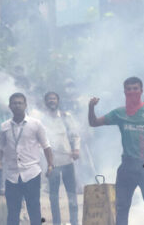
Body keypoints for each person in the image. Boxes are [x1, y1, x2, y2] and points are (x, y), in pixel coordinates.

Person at [89, 77, 144, 225]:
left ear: (141, 90)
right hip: (128, 165)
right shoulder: (119, 113)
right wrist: (91, 107)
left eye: (135, 88)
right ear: (124, 92)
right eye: (129, 89)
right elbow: (93, 123)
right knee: (121, 206)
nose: (132, 92)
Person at [0, 92, 54, 225]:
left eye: (20, 103)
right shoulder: (4, 126)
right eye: (14, 103)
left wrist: (50, 165)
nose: (17, 105)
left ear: (25, 105)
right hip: (12, 174)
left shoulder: (36, 124)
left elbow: (46, 146)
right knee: (12, 212)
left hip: (31, 172)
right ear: (10, 106)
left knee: (34, 209)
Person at [40, 91, 81, 225]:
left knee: (71, 194)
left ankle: (74, 222)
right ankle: (56, 223)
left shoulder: (66, 117)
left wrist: (76, 149)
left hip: (67, 161)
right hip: (52, 162)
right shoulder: (41, 120)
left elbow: (75, 134)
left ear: (58, 101)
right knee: (53, 196)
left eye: (54, 98)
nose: (52, 101)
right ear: (46, 102)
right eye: (49, 99)